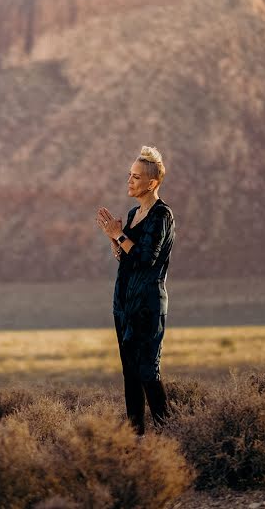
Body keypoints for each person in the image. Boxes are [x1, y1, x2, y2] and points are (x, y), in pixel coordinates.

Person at [96, 146, 175, 435]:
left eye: (136, 176)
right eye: (129, 175)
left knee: (147, 373)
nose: (129, 180)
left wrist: (119, 234)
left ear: (152, 183)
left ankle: (171, 436)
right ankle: (135, 440)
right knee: (130, 375)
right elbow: (127, 257)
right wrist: (114, 240)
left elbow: (145, 259)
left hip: (147, 304)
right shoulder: (133, 213)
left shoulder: (161, 216)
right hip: (124, 304)